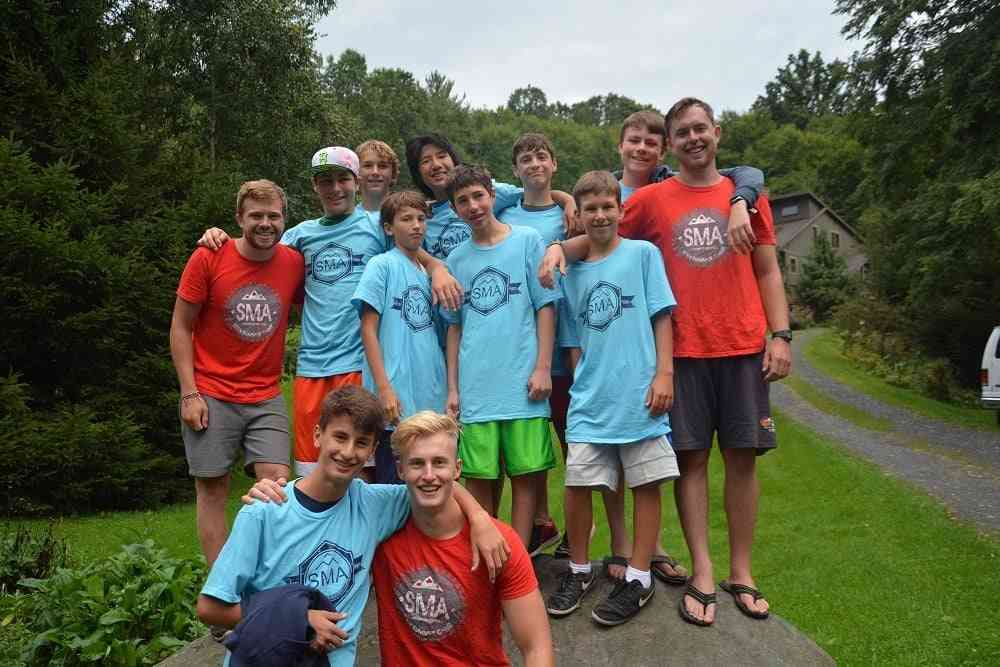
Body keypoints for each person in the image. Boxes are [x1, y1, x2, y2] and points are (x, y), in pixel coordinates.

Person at [541, 97, 792, 626]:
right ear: (670, 144)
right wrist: (560, 249)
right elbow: (602, 227)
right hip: (684, 348)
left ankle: (741, 571)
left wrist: (781, 334)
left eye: (701, 128)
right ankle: (703, 571)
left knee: (744, 459)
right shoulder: (653, 199)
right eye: (682, 132)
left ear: (717, 133)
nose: (693, 138)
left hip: (743, 342)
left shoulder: (745, 194)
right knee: (692, 462)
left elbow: (768, 270)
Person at [196, 147, 462, 478]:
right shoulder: (300, 235)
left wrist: (437, 267)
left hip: (355, 365)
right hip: (311, 367)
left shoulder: (375, 226)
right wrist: (219, 235)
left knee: (360, 468)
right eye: (325, 181)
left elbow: (410, 247)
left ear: (356, 182)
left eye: (342, 180)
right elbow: (257, 246)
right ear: (315, 187)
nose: (335, 189)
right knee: (312, 471)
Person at [197, 386, 510, 667]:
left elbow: (431, 480)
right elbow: (210, 607)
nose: (348, 453)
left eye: (361, 443)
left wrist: (479, 516)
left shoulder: (373, 505)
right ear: (318, 435)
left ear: (372, 451)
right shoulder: (266, 510)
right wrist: (300, 621)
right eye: (340, 437)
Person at [545, 171, 679, 626]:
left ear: (621, 210)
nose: (600, 215)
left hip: (641, 393)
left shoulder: (643, 255)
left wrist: (664, 372)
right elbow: (573, 341)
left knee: (645, 483)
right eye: (590, 209)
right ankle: (580, 570)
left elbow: (662, 317)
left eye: (608, 206)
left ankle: (639, 576)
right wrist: (585, 377)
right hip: (590, 399)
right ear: (578, 216)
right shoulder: (573, 272)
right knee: (577, 484)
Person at [169, 179, 303, 567]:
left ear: (284, 219)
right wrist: (189, 393)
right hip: (211, 393)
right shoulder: (209, 257)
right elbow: (181, 326)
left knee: (278, 486)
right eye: (256, 216)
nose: (266, 223)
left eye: (273, 216)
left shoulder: (293, 263)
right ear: (238, 219)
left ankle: (269, 581)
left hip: (265, 394)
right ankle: (223, 594)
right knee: (212, 491)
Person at [373, 411, 555, 666]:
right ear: (400, 470)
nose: (428, 475)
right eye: (417, 464)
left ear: (457, 468)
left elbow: (536, 647)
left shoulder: (499, 542)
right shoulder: (380, 528)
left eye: (439, 463)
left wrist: (478, 516)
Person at [441, 164, 560, 548]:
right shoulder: (456, 260)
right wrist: (454, 389)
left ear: (492, 195)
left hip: (522, 386)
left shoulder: (526, 241)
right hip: (477, 388)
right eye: (462, 201)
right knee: (479, 479)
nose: (473, 206)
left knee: (525, 478)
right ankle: (487, 555)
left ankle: (520, 558)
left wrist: (543, 367)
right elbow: (455, 327)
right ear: (455, 209)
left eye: (478, 196)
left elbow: (545, 306)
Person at [352, 191, 447, 483]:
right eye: (406, 219)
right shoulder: (382, 265)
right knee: (394, 482)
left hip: (430, 392)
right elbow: (368, 328)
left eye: (421, 218)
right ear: (389, 228)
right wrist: (384, 389)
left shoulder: (430, 274)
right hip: (396, 397)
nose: (416, 225)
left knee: (430, 482)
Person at [355, 139, 400, 223]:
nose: (375, 172)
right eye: (368, 166)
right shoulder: (347, 220)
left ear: (393, 173)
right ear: (356, 172)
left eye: (382, 166)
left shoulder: (410, 215)